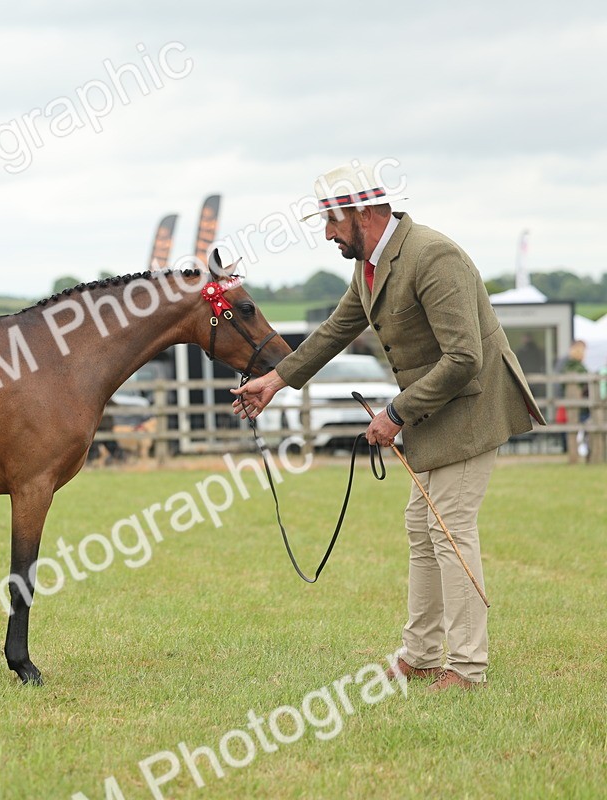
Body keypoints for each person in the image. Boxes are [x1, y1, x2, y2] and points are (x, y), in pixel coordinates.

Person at [232, 162, 544, 692]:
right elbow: (335, 331)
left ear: (366, 212)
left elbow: (465, 358)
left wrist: (396, 414)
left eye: (332, 221)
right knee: (423, 530)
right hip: (438, 409)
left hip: (472, 408)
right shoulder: (369, 265)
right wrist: (274, 380)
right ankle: (421, 655)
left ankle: (468, 669)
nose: (328, 233)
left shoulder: (432, 255)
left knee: (450, 533)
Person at [556, 340, 589, 461]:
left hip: (571, 400)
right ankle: (572, 450)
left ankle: (574, 450)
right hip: (571, 400)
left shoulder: (568, 363)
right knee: (574, 424)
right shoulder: (571, 365)